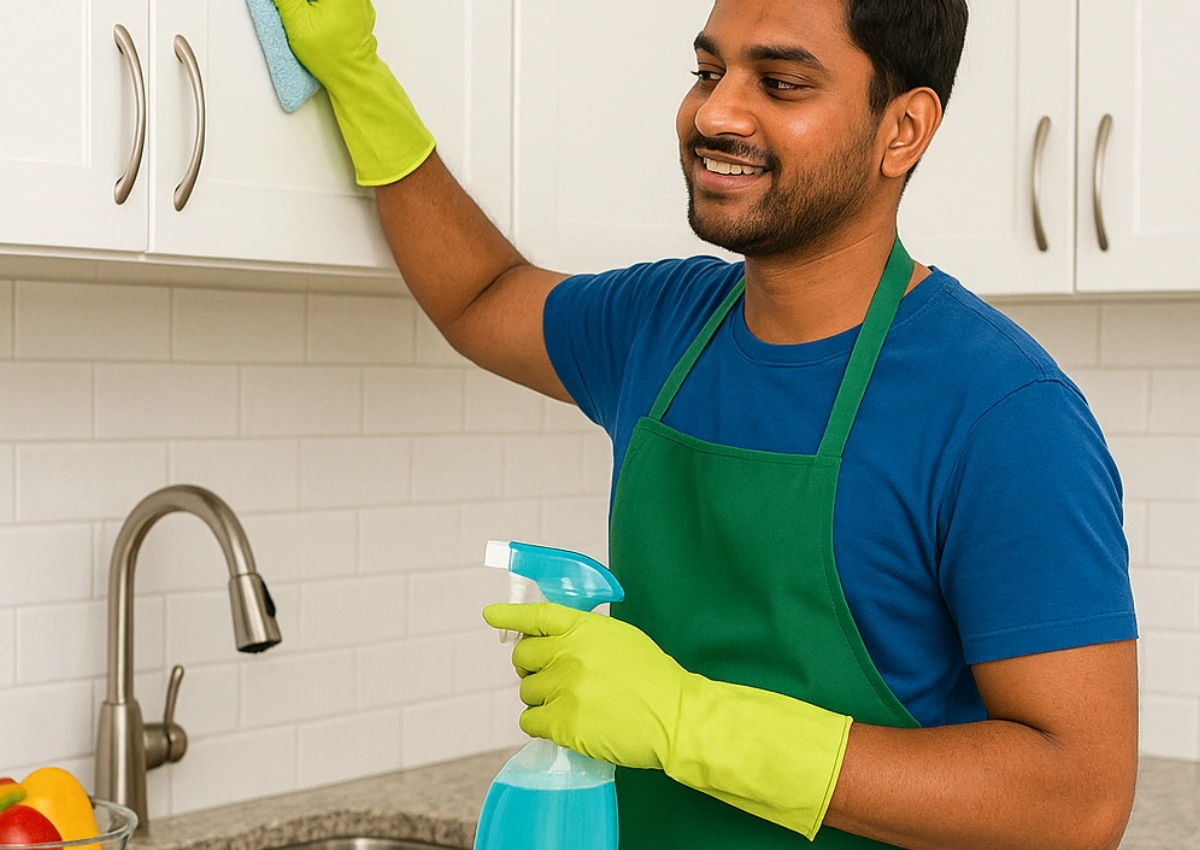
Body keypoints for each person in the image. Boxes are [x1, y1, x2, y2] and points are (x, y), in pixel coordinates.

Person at [271, 1, 1140, 847]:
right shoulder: (665, 324)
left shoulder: (1004, 414)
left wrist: (688, 722)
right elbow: (482, 295)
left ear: (903, 129)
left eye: (781, 83)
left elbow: (1076, 801)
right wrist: (358, 78)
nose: (715, 112)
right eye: (708, 71)